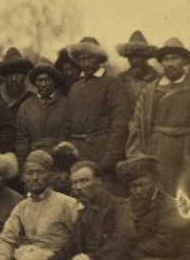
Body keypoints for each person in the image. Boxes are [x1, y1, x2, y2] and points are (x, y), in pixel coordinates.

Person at [29, 161, 151, 260]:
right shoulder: (84, 213)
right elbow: (68, 249)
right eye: (75, 183)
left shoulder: (119, 206)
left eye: (84, 181)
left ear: (99, 182)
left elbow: (123, 238)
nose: (78, 187)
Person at [63, 37, 131, 195]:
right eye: (82, 59)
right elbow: (66, 123)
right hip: (78, 154)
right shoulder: (75, 87)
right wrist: (66, 151)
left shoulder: (112, 83)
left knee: (102, 197)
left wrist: (110, 159)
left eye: (90, 58)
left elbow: (120, 123)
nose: (86, 63)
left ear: (99, 59)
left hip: (101, 153)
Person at [127, 38, 190, 197]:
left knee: (184, 195)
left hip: (186, 151)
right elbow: (136, 124)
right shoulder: (150, 90)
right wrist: (137, 155)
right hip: (157, 151)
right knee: (159, 194)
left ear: (184, 61)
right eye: (166, 59)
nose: (170, 63)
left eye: (174, 58)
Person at [117, 155, 190, 260]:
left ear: (155, 182)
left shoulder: (172, 207)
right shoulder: (125, 205)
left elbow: (165, 246)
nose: (138, 191)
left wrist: (127, 251)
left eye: (143, 185)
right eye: (133, 186)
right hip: (136, 257)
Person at [14, 58, 68, 166]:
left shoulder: (65, 104)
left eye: (47, 80)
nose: (43, 84)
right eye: (39, 80)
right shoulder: (26, 106)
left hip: (57, 161)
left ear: (55, 81)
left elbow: (66, 136)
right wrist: (22, 165)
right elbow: (21, 140)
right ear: (35, 83)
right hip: (32, 161)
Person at [116, 30, 161, 108]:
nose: (135, 61)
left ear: (146, 56)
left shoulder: (158, 79)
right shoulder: (120, 80)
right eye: (131, 57)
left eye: (139, 56)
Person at [0, 47, 34, 116]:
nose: (14, 79)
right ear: (4, 76)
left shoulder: (32, 99)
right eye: (10, 74)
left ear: (25, 76)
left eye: (18, 74)